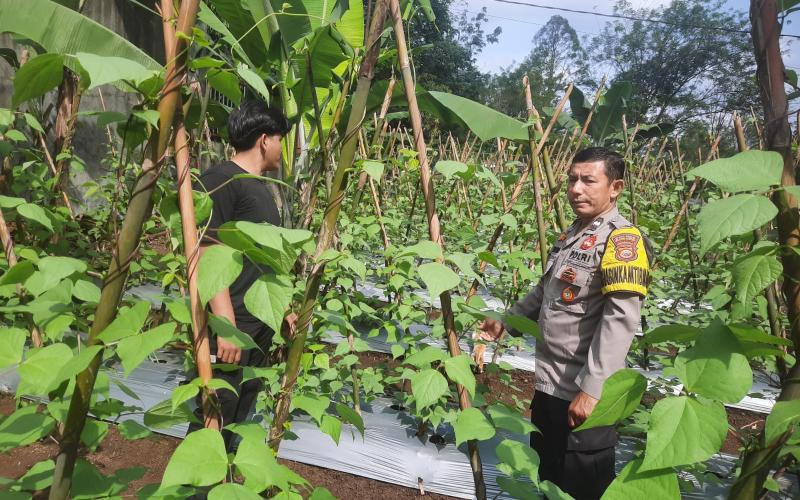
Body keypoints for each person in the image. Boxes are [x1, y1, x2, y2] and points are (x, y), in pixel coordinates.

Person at [480, 147, 652, 499]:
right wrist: (505, 323)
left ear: (615, 188)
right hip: (550, 384)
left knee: (579, 483)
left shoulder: (623, 241)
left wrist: (593, 389)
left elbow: (620, 319)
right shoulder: (572, 234)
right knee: (548, 476)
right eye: (572, 179)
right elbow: (545, 292)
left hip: (581, 390)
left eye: (588, 180)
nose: (576, 189)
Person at [189, 100, 294, 451]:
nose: (281, 148)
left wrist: (281, 310)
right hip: (233, 322)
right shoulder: (220, 180)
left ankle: (224, 476)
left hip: (255, 323)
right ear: (264, 140)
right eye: (280, 139)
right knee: (215, 413)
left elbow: (262, 257)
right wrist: (225, 326)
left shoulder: (258, 186)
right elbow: (206, 251)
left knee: (239, 407)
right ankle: (200, 479)